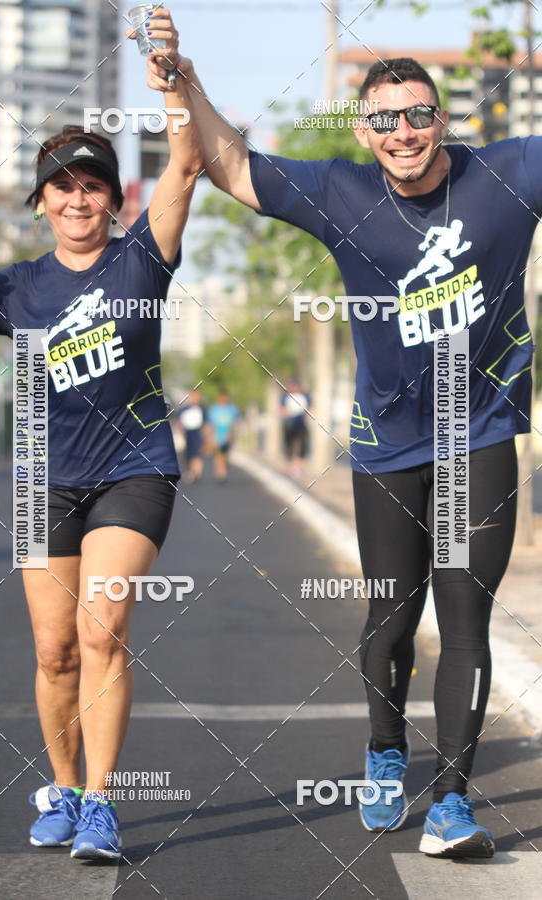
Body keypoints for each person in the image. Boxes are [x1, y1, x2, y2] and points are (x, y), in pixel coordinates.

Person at [146, 32, 541, 858]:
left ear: (442, 119)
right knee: (392, 616)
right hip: (386, 445)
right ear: (363, 130)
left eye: (419, 115)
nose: (404, 133)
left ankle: (451, 804)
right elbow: (230, 165)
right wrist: (185, 82)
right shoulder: (342, 191)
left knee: (465, 617)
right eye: (385, 121)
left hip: (477, 434)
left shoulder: (510, 173)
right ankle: (385, 749)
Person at [0, 10, 201, 860]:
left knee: (101, 629)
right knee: (54, 651)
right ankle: (60, 785)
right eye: (63, 186)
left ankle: (100, 802)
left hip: (134, 468)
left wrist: (170, 79)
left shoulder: (143, 259)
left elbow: (187, 162)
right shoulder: (14, 286)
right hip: (40, 481)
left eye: (94, 184)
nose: (79, 197)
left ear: (115, 197)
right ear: (42, 201)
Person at [280, 379, 310, 478]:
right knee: (288, 445)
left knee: (302, 445)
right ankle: (288, 467)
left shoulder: (305, 396)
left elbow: (311, 407)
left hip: (301, 424)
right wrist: (287, 413)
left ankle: (300, 467)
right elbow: (282, 409)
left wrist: (306, 415)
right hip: (289, 423)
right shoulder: (285, 396)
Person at [177, 387, 208, 482]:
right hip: (187, 434)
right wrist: (181, 431)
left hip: (198, 433)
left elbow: (206, 424)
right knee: (188, 454)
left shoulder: (202, 409)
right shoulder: (184, 409)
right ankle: (190, 471)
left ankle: (196, 473)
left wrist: (206, 436)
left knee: (197, 454)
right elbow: (178, 421)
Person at [207, 390, 239, 481]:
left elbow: (236, 421)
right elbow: (210, 423)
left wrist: (232, 432)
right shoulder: (214, 409)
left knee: (225, 454)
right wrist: (211, 436)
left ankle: (224, 467)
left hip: (228, 435)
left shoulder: (232, 409)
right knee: (218, 454)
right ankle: (220, 473)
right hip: (217, 435)